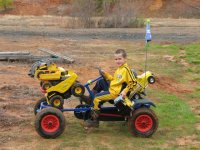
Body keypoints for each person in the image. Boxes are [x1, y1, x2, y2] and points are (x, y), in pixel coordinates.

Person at [84, 49, 137, 127]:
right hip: (114, 88)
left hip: (116, 93)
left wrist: (125, 91)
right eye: (116, 59)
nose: (117, 61)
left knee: (96, 98)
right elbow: (115, 80)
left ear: (125, 59)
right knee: (101, 81)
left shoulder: (126, 70)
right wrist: (106, 75)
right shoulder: (119, 69)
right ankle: (90, 100)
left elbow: (133, 82)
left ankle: (94, 120)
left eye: (120, 59)